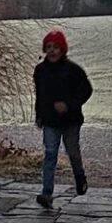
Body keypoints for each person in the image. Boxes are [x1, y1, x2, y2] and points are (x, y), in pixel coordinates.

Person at [33, 28, 91, 206]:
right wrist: (39, 116)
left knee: (72, 152)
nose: (52, 50)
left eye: (56, 47)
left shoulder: (73, 70)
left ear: (63, 49)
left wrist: (69, 105)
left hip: (70, 120)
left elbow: (86, 90)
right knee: (50, 153)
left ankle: (80, 177)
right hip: (50, 120)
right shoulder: (40, 70)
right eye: (48, 47)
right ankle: (47, 193)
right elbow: (40, 96)